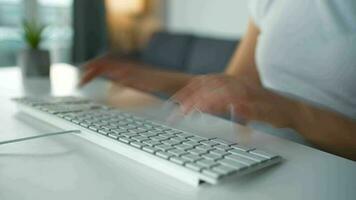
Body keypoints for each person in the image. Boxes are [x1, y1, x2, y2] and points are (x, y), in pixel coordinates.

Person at [80, 0, 356, 161]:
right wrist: (153, 78)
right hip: (255, 156)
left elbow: (269, 102)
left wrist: (292, 111)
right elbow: (233, 84)